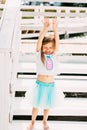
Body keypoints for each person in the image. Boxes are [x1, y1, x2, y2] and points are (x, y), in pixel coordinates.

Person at [27, 17, 60, 130]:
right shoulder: (39, 56)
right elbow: (39, 41)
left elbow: (57, 42)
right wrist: (45, 29)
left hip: (50, 86)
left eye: (50, 47)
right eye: (45, 48)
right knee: (36, 105)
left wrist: (55, 29)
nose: (47, 49)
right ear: (41, 48)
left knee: (47, 106)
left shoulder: (54, 55)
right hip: (40, 85)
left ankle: (45, 121)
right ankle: (32, 122)